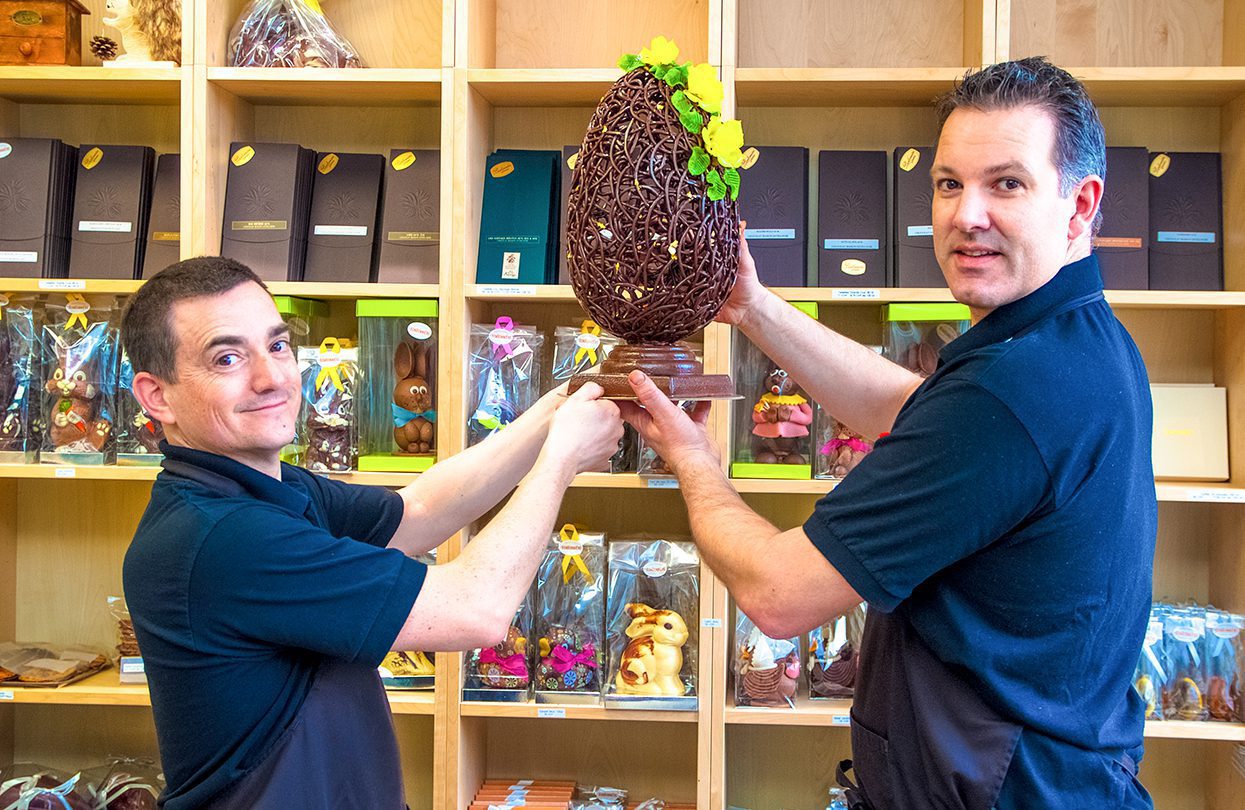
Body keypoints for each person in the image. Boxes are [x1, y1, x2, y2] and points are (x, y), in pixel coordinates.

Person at [622, 57, 1155, 808]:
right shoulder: (1073, 342)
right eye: (948, 183)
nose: (965, 214)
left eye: (1006, 183)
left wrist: (691, 458)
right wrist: (749, 305)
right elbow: (916, 412)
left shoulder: (1015, 391)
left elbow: (778, 595)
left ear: (1078, 206)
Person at [120, 256, 623, 809]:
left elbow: (421, 509)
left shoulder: (270, 489)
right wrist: (562, 460)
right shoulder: (223, 538)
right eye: (228, 357)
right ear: (156, 396)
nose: (271, 377)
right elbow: (477, 610)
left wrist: (558, 406)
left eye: (278, 345)